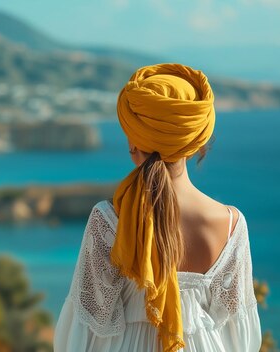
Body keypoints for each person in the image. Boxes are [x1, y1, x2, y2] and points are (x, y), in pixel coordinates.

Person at [54, 63, 261, 352]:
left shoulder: (108, 219)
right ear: (197, 140)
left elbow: (85, 326)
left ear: (133, 143)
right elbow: (240, 337)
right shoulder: (230, 224)